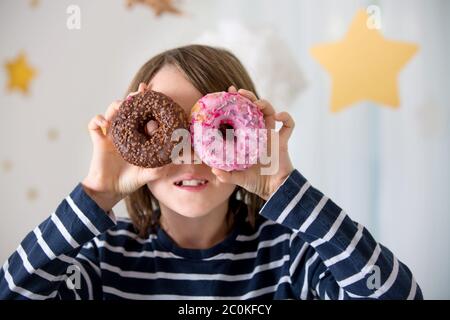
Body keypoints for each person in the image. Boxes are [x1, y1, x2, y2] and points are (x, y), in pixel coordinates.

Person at [0, 45, 422, 300]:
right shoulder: (102, 260)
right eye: (165, 131)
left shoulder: (290, 259)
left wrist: (283, 187)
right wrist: (96, 193)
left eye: (215, 131)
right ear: (133, 143)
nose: (191, 155)